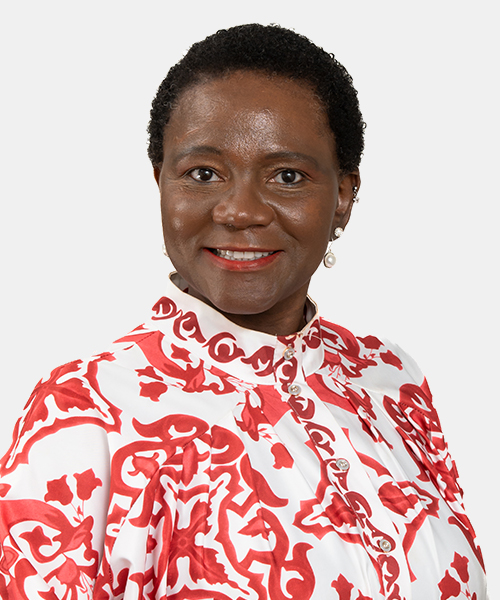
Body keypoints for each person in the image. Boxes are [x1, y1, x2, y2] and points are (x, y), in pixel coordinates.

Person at [0, 23, 488, 600]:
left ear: (343, 196)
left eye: (287, 176)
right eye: (203, 173)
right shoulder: (84, 411)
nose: (239, 211)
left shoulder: (391, 378)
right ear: (161, 183)